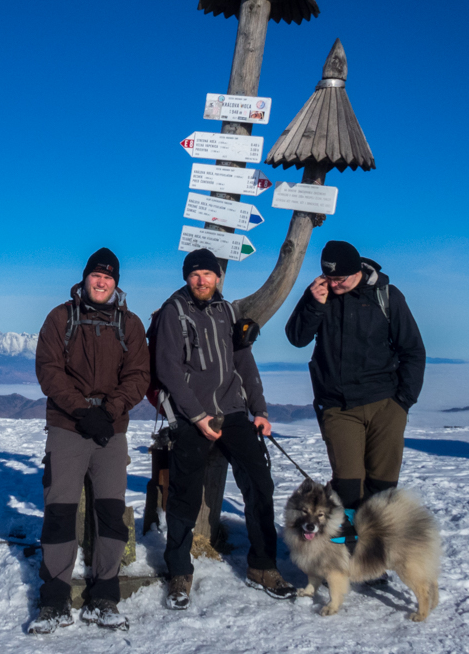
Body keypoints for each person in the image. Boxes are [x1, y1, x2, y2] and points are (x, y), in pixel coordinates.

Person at [153, 248, 294, 610]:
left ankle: (263, 566)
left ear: (218, 278)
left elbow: (243, 361)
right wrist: (197, 417)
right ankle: (180, 571)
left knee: (260, 484)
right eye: (195, 274)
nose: (202, 280)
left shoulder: (227, 311)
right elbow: (168, 370)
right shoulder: (174, 311)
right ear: (187, 277)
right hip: (191, 416)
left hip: (232, 412)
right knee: (184, 495)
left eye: (208, 274)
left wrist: (259, 410)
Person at [28, 248, 149, 634]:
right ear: (85, 278)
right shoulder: (60, 318)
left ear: (116, 283)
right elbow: (49, 371)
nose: (101, 282)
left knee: (111, 510)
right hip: (68, 424)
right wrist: (82, 411)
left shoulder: (129, 324)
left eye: (108, 277)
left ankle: (104, 597)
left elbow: (138, 375)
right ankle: (55, 600)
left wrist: (108, 411)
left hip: (111, 428)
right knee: (61, 508)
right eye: (96, 276)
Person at [284, 240, 426, 547]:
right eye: (329, 278)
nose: (334, 285)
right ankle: (346, 551)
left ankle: (376, 552)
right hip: (338, 406)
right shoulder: (320, 293)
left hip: (385, 404)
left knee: (382, 486)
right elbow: (296, 337)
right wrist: (314, 303)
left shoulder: (385, 296)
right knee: (348, 485)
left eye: (341, 279)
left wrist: (403, 402)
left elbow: (412, 349)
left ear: (357, 271)